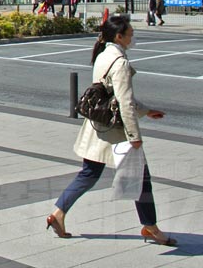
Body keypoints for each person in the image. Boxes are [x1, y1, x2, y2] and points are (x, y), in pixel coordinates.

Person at [46, 14, 176, 246]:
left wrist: (146, 110)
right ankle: (150, 226)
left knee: (89, 173)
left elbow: (113, 97)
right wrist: (135, 137)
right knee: (141, 179)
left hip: (97, 126)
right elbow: (124, 102)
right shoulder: (121, 63)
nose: (133, 37)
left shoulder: (103, 55)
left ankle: (59, 213)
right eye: (130, 34)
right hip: (116, 131)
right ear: (119, 36)